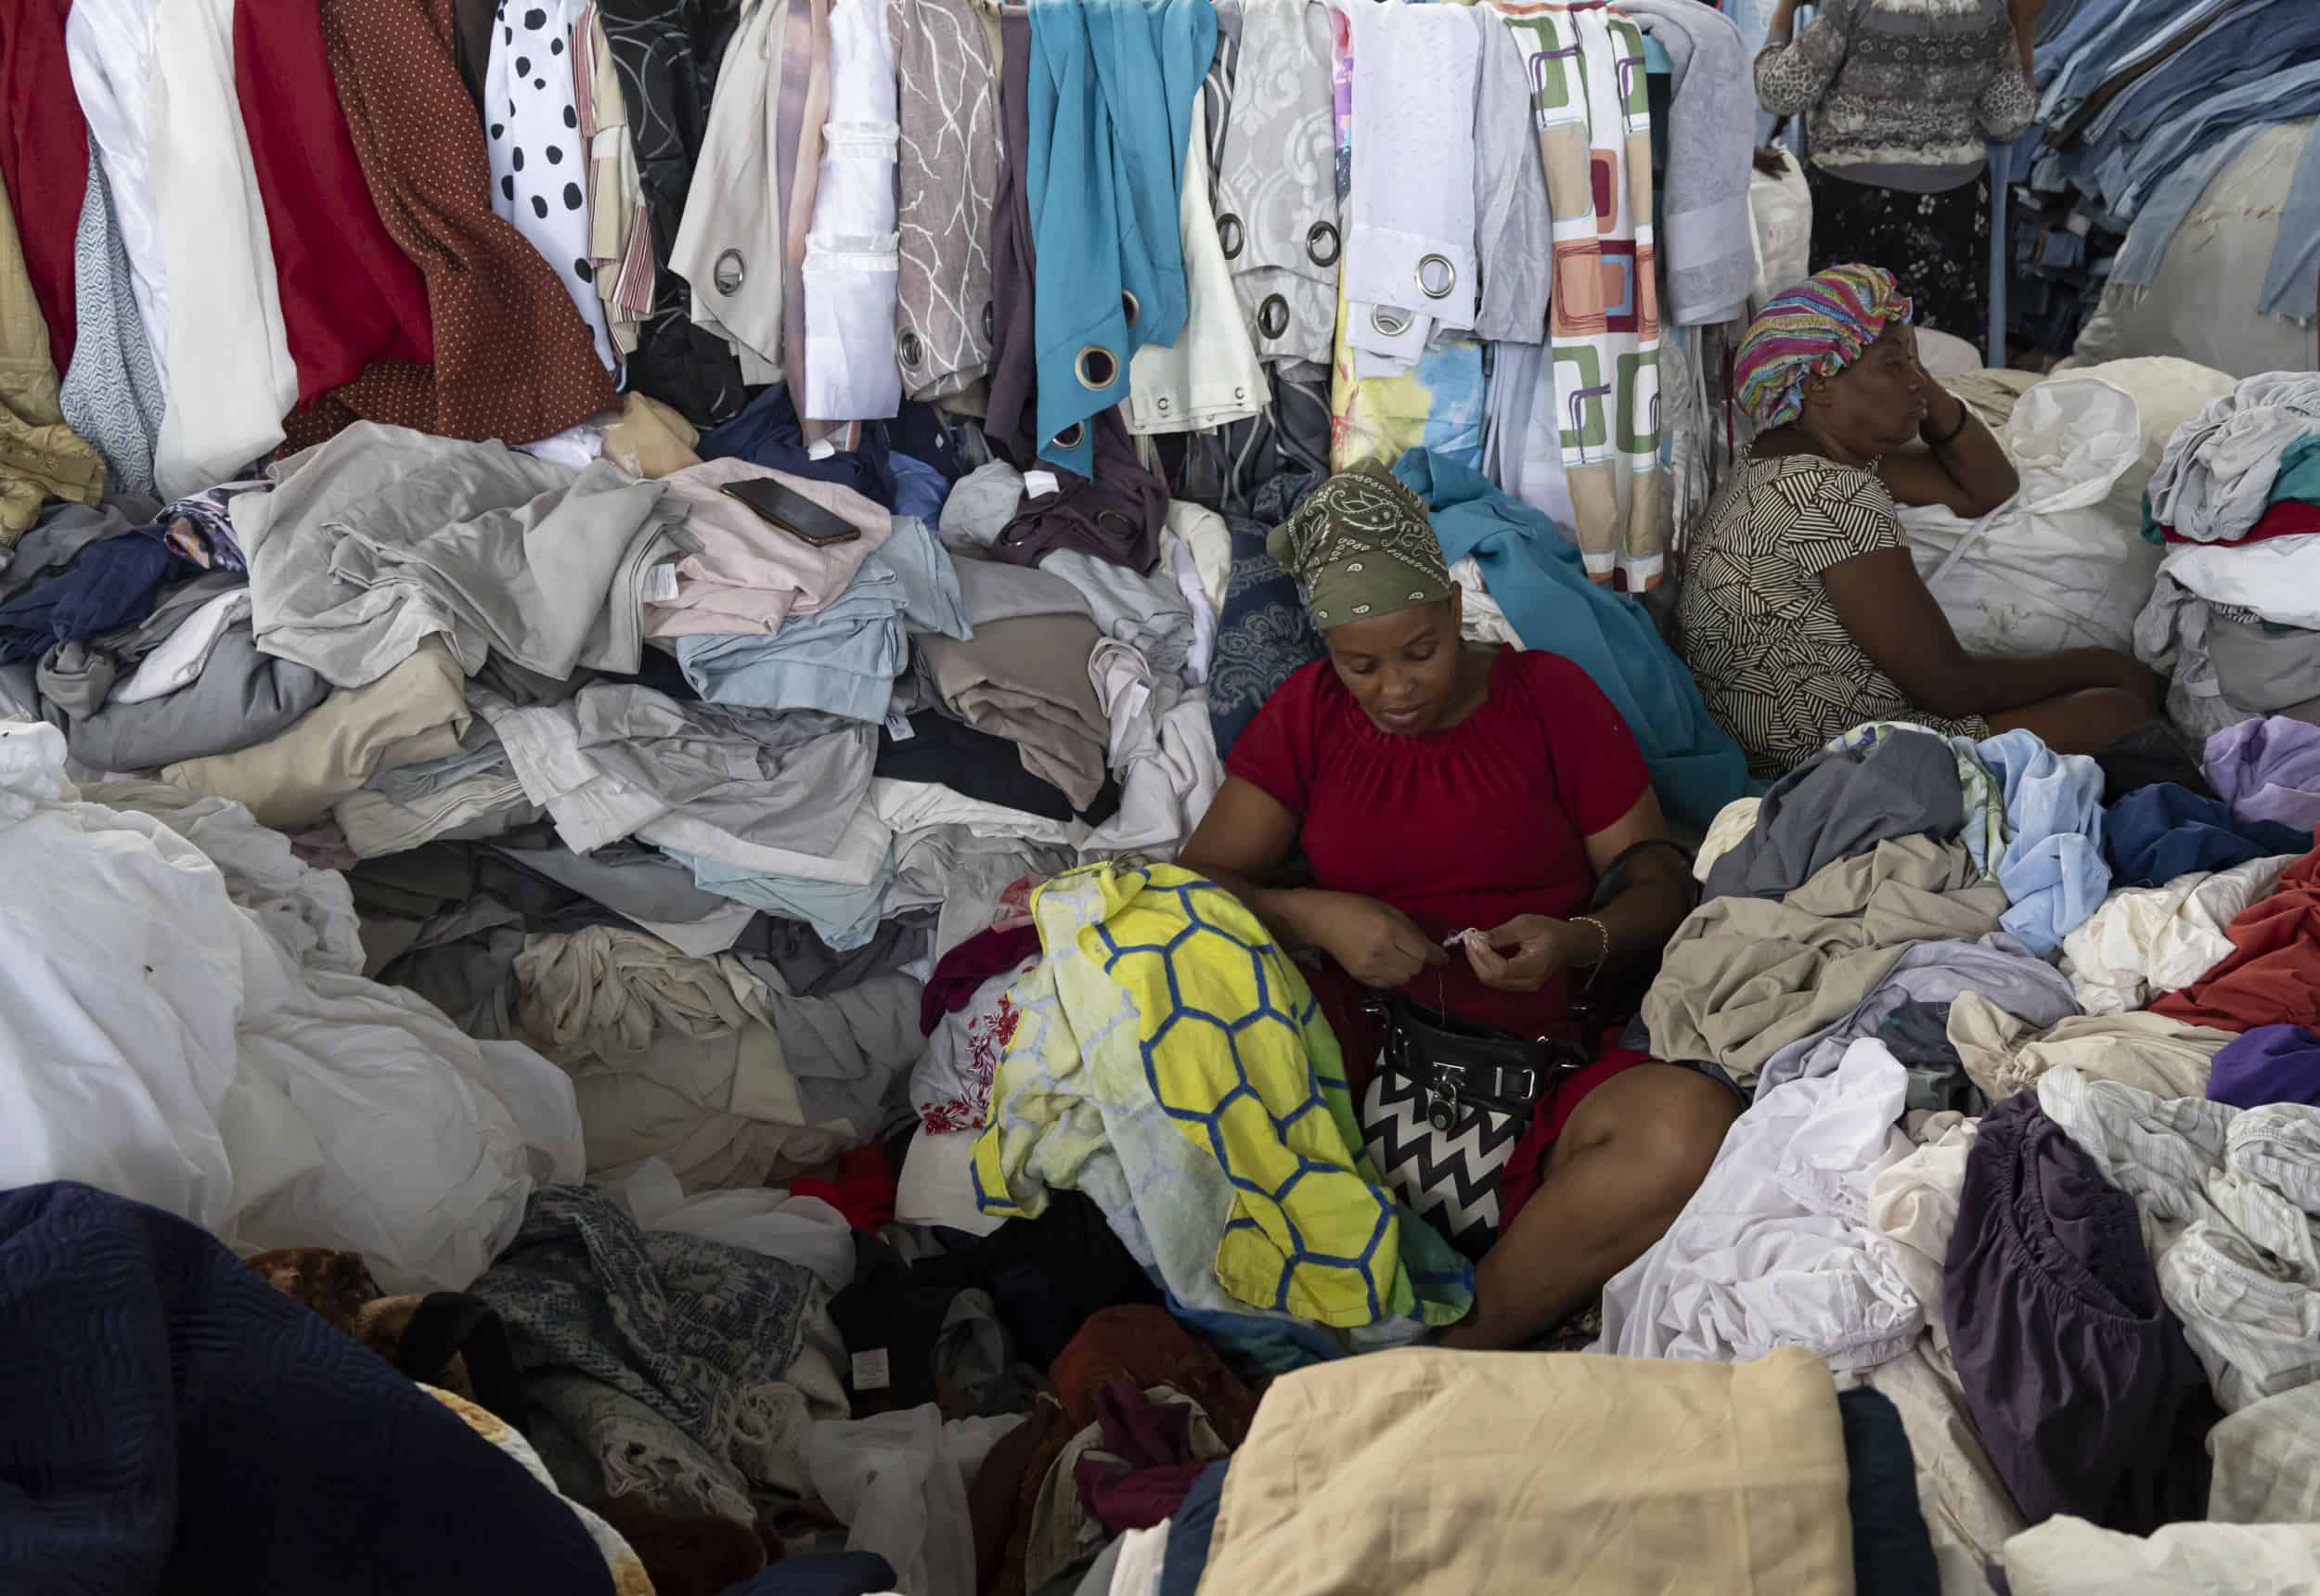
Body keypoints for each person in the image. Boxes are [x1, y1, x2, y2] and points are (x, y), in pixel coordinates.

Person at [1176, 463, 1740, 1351]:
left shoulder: (1549, 699)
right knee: (1182, 1032)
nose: (1395, 687)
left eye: (1420, 652)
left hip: (1541, 1063)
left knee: (1685, 1130)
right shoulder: (1308, 716)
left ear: (1450, 604)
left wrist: (1571, 942)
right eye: (1360, 663)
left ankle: (1460, 1350)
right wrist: (1315, 917)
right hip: (1360, 1053)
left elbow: (1660, 886)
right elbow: (1195, 885)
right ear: (1326, 645)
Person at [1681, 264, 2154, 779]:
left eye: (1918, 364)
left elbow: (1988, 489)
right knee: (2114, 712)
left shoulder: (1775, 465)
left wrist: (1913, 377)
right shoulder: (1834, 493)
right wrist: (2103, 664)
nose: (1917, 385)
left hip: (1805, 751)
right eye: (1893, 367)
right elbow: (1949, 686)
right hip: (1842, 766)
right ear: (1818, 385)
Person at [1754, 0, 2040, 341]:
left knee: (1842, 347)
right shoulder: (1988, 6)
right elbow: (2008, 120)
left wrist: (1784, 12)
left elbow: (1782, 93)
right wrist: (2024, 34)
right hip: (1950, 210)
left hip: (1851, 203)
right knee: (1934, 351)